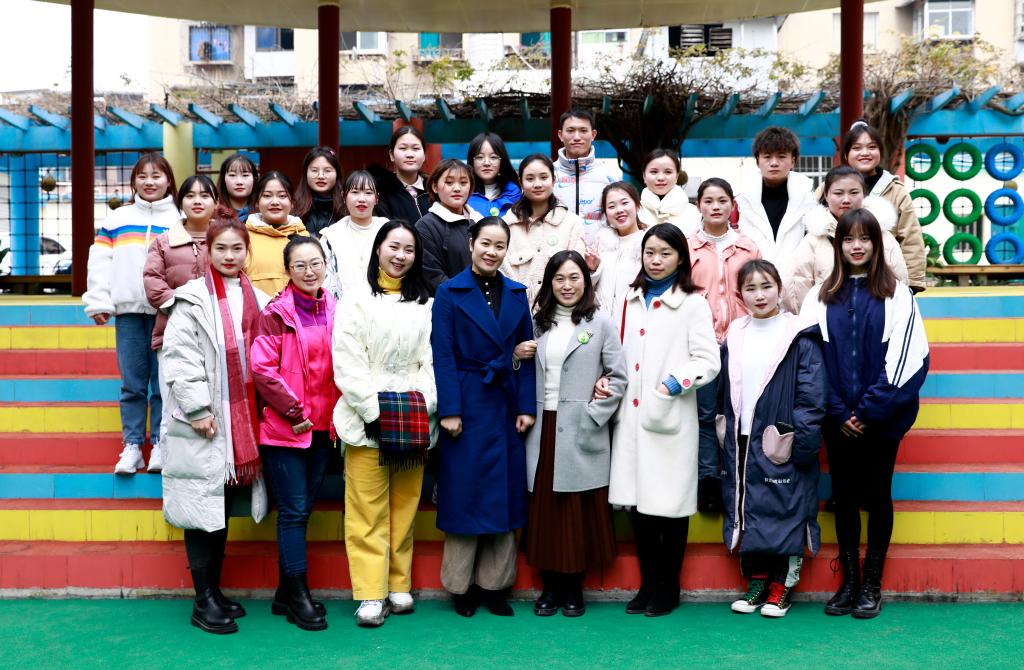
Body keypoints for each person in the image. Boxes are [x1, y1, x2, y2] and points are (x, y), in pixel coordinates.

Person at [800, 208, 929, 620]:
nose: (857, 246)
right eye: (848, 239)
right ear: (838, 245)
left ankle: (872, 582)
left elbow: (909, 359)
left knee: (877, 497)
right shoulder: (818, 296)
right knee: (845, 498)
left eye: (865, 238)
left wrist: (869, 411)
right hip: (837, 421)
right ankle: (849, 582)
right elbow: (810, 360)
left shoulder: (898, 295)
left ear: (877, 243)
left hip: (882, 420)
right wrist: (839, 412)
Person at [160, 214, 271, 635]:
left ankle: (214, 592)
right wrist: (198, 409)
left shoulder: (259, 297)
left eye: (236, 248)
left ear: (247, 252)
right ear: (206, 251)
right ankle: (202, 599)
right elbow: (180, 358)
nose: (228, 255)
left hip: (241, 418)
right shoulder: (190, 299)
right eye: (220, 248)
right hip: (204, 419)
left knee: (218, 503)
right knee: (201, 505)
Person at [608, 223, 720, 617]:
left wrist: (673, 383)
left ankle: (668, 587)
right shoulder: (629, 298)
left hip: (669, 417)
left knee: (669, 508)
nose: (655, 260)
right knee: (640, 506)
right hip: (631, 417)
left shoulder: (692, 303)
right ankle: (647, 584)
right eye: (650, 252)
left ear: (680, 258)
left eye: (665, 253)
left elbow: (708, 360)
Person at [431, 217, 536, 617]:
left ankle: (495, 586)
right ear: (471, 243)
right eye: (486, 243)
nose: (492, 251)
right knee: (465, 493)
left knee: (503, 495)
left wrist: (525, 406)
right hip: (467, 400)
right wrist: (450, 410)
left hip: (505, 403)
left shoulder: (517, 293)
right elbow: (443, 355)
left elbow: (526, 353)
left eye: (500, 245)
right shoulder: (448, 292)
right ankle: (460, 587)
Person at [333, 221, 437, 627]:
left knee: (405, 507)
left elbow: (432, 361)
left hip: (413, 418)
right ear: (378, 249)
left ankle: (398, 584)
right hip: (366, 422)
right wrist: (375, 412)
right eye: (394, 247)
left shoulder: (426, 306)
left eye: (408, 250)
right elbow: (347, 362)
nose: (400, 256)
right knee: (366, 510)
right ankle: (370, 593)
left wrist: (422, 404)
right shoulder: (355, 301)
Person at [719, 259, 825, 618]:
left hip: (783, 439)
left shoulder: (799, 334)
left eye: (766, 286)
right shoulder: (735, 333)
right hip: (741, 438)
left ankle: (781, 587)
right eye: (750, 288)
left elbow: (811, 395)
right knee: (749, 509)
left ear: (779, 288)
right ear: (740, 295)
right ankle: (757, 583)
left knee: (785, 509)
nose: (759, 295)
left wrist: (804, 444)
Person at [524, 251, 627, 618]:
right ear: (549, 283)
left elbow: (618, 377)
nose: (567, 286)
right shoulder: (537, 323)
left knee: (576, 512)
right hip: (542, 428)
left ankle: (573, 588)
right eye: (559, 279)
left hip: (582, 428)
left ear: (586, 280)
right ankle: (550, 587)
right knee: (546, 511)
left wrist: (594, 415)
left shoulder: (601, 323)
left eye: (574, 278)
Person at [249, 236, 340, 632]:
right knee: (293, 511)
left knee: (302, 511)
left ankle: (285, 593)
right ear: (287, 270)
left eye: (315, 263)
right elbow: (262, 369)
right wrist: (294, 411)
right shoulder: (275, 313)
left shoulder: (335, 307)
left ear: (325, 265)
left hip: (323, 429)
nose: (309, 271)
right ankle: (298, 597)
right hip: (286, 429)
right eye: (299, 265)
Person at [84, 152, 179, 475]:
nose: (149, 182)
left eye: (156, 175)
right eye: (142, 176)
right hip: (128, 314)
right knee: (133, 383)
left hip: (168, 313)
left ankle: (162, 445)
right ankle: (133, 446)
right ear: (133, 181)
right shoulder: (117, 219)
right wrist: (99, 301)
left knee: (164, 383)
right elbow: (100, 261)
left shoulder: (179, 219)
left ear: (169, 180)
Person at [687, 178, 761, 513]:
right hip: (700, 343)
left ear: (732, 204)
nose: (715, 207)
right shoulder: (687, 246)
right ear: (698, 205)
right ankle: (708, 481)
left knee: (737, 413)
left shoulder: (747, 247)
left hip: (741, 340)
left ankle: (737, 476)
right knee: (704, 415)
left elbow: (760, 289)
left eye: (722, 200)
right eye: (708, 201)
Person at [143, 176, 218, 470]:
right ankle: (169, 464)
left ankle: (210, 468)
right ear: (180, 202)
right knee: (173, 402)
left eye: (205, 195)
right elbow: (153, 285)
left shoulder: (226, 238)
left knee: (214, 402)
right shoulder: (163, 242)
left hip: (217, 334)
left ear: (216, 202)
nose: (197, 201)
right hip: (171, 333)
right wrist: (189, 304)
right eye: (190, 195)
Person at [783, 166, 908, 313]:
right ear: (826, 195)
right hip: (827, 321)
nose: (846, 200)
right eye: (838, 193)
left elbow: (899, 282)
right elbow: (796, 286)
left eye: (854, 193)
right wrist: (813, 320)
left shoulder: (882, 236)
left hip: (876, 318)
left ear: (864, 194)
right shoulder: (814, 239)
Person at [840, 120, 927, 292]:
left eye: (872, 147)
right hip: (839, 281)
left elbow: (911, 238)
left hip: (884, 282)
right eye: (856, 148)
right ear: (845, 155)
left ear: (880, 152)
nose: (865, 153)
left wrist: (913, 283)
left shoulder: (896, 191)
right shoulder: (828, 190)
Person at [501, 153, 592, 306]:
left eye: (544, 177)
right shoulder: (506, 226)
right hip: (516, 311)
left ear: (554, 180)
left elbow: (577, 273)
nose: (537, 184)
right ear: (520, 182)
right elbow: (502, 272)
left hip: (559, 312)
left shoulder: (572, 223)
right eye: (530, 179)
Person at [735, 127, 816, 263]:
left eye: (781, 156)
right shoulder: (741, 201)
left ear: (793, 161)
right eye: (767, 157)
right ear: (757, 161)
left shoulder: (809, 200)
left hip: (797, 275)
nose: (774, 163)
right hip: (754, 274)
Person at [415, 158, 483, 291]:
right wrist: (468, 297)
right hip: (450, 300)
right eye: (449, 182)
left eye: (463, 182)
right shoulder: (425, 226)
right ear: (435, 187)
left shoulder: (481, 222)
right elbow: (433, 276)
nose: (457, 188)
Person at [320, 170, 388, 299]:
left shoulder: (389, 231)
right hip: (343, 307)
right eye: (355, 192)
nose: (362, 199)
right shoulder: (331, 236)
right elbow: (326, 281)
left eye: (368, 193)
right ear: (344, 196)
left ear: (376, 198)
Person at [243, 171, 309, 297]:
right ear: (256, 202)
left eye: (282, 196)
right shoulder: (243, 239)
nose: (274, 202)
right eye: (267, 196)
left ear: (292, 202)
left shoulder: (305, 239)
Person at [552, 108, 621, 226]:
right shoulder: (547, 175)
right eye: (570, 131)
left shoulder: (609, 176)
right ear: (561, 135)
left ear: (593, 135)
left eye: (583, 130)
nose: (577, 137)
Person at [592, 182, 646, 314]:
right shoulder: (600, 246)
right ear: (606, 214)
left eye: (624, 203)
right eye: (611, 206)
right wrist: (592, 270)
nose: (619, 210)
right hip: (602, 322)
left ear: (637, 206)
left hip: (635, 322)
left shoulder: (648, 246)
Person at [368, 126, 430, 224]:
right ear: (391, 155)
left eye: (416, 148)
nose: (410, 154)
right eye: (403, 148)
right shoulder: (380, 191)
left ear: (424, 155)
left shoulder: (434, 190)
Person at [638, 148, 700, 234]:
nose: (660, 178)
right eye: (654, 172)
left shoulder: (695, 213)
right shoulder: (634, 212)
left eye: (668, 172)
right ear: (644, 176)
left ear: (677, 176)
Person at [293, 147, 346, 238]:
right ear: (306, 173)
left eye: (327, 171)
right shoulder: (293, 206)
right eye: (314, 170)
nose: (321, 176)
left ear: (337, 174)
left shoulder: (347, 207)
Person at [467, 132, 522, 218]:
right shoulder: (464, 193)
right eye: (480, 157)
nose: (487, 163)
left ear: (502, 161)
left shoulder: (514, 193)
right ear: (472, 161)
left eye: (493, 157)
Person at [216, 152, 259, 221]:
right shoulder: (213, 212)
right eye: (232, 175)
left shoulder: (262, 213)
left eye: (245, 175)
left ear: (254, 179)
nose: (239, 182)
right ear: (223, 179)